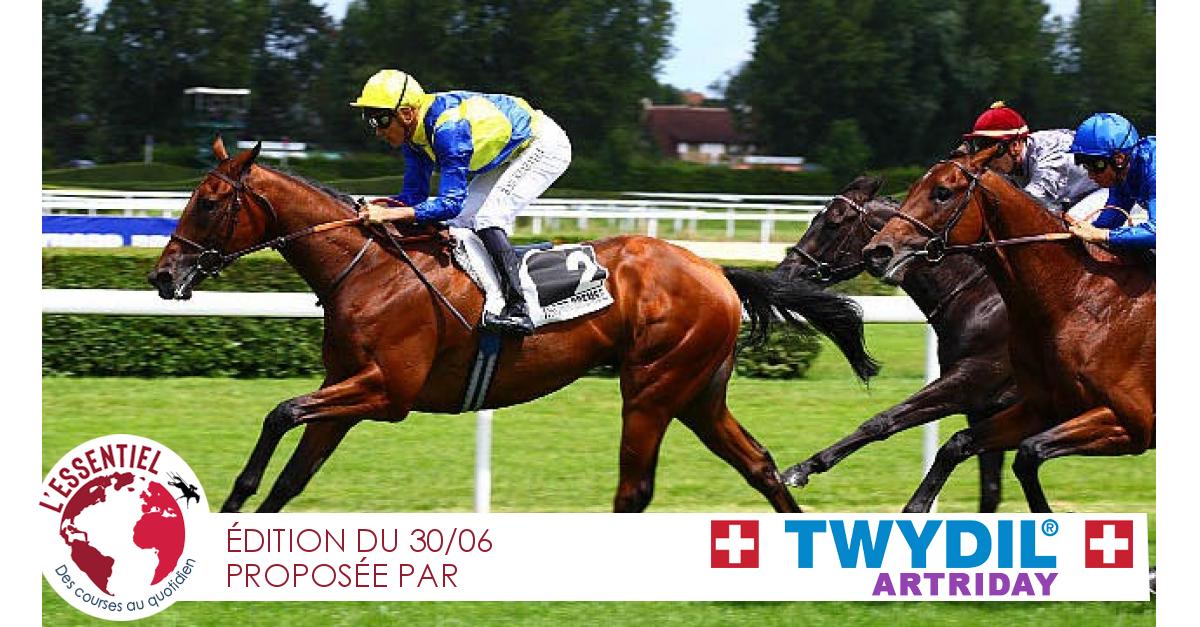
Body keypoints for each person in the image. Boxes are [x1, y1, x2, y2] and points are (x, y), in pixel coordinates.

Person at [349, 69, 572, 335]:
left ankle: (518, 308)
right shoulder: (414, 138)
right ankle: (491, 299)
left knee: (489, 217)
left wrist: (388, 214)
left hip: (543, 144)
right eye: (371, 121)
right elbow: (413, 198)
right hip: (509, 152)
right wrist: (377, 208)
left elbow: (450, 203)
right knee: (460, 224)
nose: (378, 131)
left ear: (407, 113)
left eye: (381, 120)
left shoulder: (448, 130)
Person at [962, 101, 1105, 218]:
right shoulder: (1017, 158)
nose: (988, 162)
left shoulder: (1050, 159)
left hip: (1106, 190)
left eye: (994, 152)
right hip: (1072, 197)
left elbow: (1031, 207)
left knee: (1074, 221)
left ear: (1015, 146)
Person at [1067, 112, 1156, 250]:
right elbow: (1113, 217)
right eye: (1086, 166)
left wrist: (1104, 235)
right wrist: (1088, 231)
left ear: (1119, 159)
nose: (1090, 176)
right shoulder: (1122, 174)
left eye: (1096, 166)